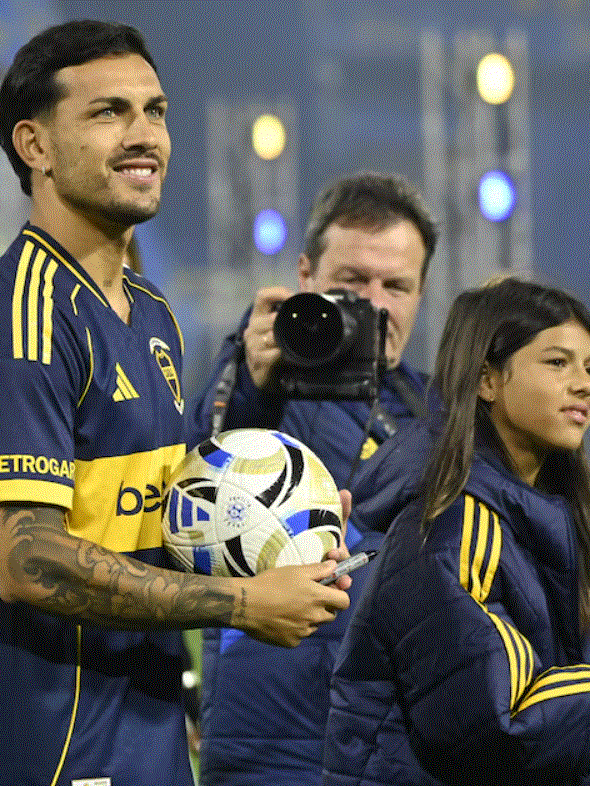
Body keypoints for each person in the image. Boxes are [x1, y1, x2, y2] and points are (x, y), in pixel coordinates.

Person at [0, 20, 352, 786]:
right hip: (54, 757)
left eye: (154, 111)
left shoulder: (149, 310)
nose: (143, 135)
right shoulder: (20, 323)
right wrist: (240, 602)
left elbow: (152, 519)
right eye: (107, 112)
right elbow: (29, 560)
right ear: (34, 145)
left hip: (147, 744)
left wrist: (281, 528)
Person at [323, 277, 590, 786]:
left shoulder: (546, 519)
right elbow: (508, 723)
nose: (584, 385)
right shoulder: (453, 525)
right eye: (557, 362)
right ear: (487, 380)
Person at [186, 171, 439, 785]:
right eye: (351, 283)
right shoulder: (254, 384)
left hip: (395, 752)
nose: (375, 305)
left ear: (421, 294)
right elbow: (194, 488)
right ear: (305, 278)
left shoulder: (438, 412)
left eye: (396, 286)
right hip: (269, 756)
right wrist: (248, 380)